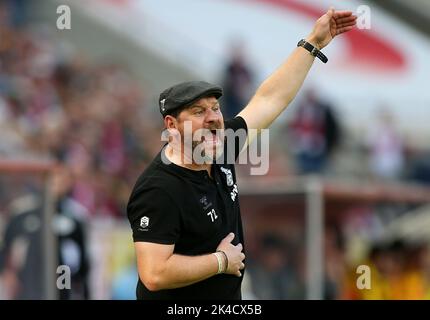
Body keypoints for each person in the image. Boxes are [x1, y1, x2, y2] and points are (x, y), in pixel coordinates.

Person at [126, 7, 357, 300]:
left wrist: (312, 43)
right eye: (198, 111)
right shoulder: (158, 188)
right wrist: (220, 261)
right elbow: (154, 274)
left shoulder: (220, 146)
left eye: (215, 108)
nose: (213, 118)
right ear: (171, 125)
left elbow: (269, 100)